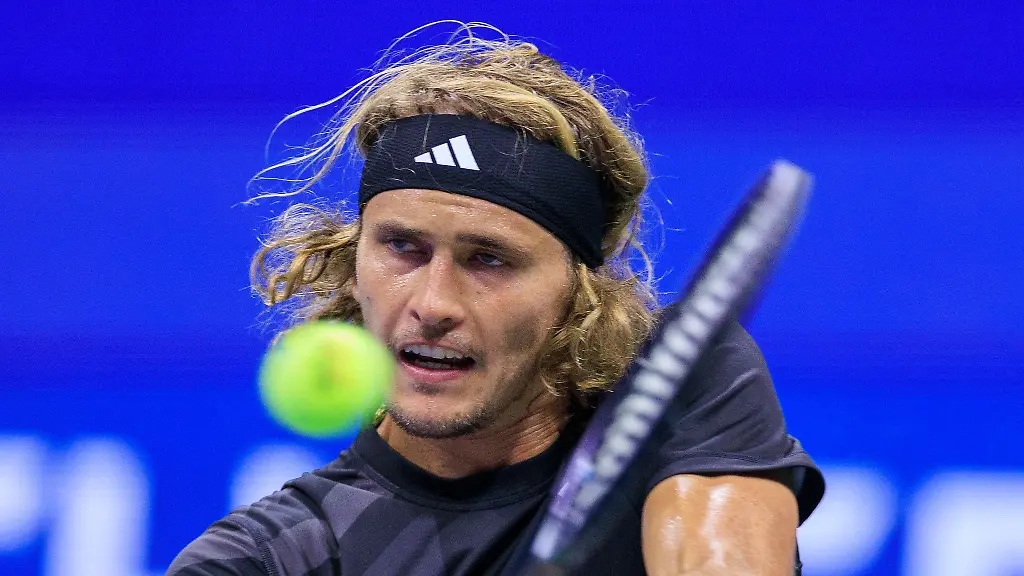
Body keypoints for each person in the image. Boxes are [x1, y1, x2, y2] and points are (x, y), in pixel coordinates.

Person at [168, 24, 824, 576]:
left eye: (489, 259)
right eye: (402, 247)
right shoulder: (263, 560)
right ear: (353, 257)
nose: (434, 303)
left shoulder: (682, 383)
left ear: (580, 291)